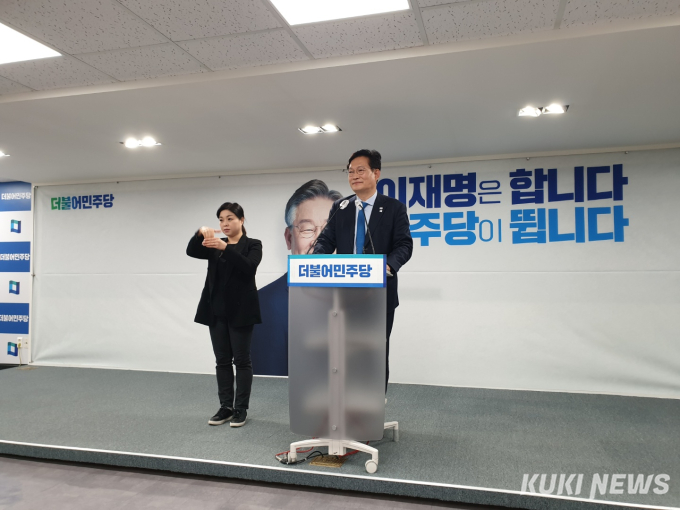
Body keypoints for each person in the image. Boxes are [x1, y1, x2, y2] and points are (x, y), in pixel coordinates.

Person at [313, 150, 413, 393]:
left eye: (360, 170)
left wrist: (388, 265)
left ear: (376, 173)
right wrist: (317, 258)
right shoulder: (341, 206)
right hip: (344, 293)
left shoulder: (393, 208)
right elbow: (326, 240)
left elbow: (404, 245)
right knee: (346, 348)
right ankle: (346, 400)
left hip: (379, 291)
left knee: (375, 349)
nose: (354, 176)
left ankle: (374, 402)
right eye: (350, 172)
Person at [250, 180, 342, 376]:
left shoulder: (360, 299)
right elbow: (267, 387)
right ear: (289, 238)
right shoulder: (262, 304)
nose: (320, 241)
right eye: (307, 229)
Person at [186, 202, 262, 428]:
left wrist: (224, 248)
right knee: (222, 361)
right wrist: (199, 233)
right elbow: (192, 251)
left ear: (241, 220)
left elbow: (249, 267)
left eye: (230, 218)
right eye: (221, 219)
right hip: (216, 311)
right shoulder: (214, 244)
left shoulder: (253, 244)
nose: (225, 223)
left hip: (241, 311)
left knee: (242, 361)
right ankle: (226, 407)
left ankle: (241, 408)